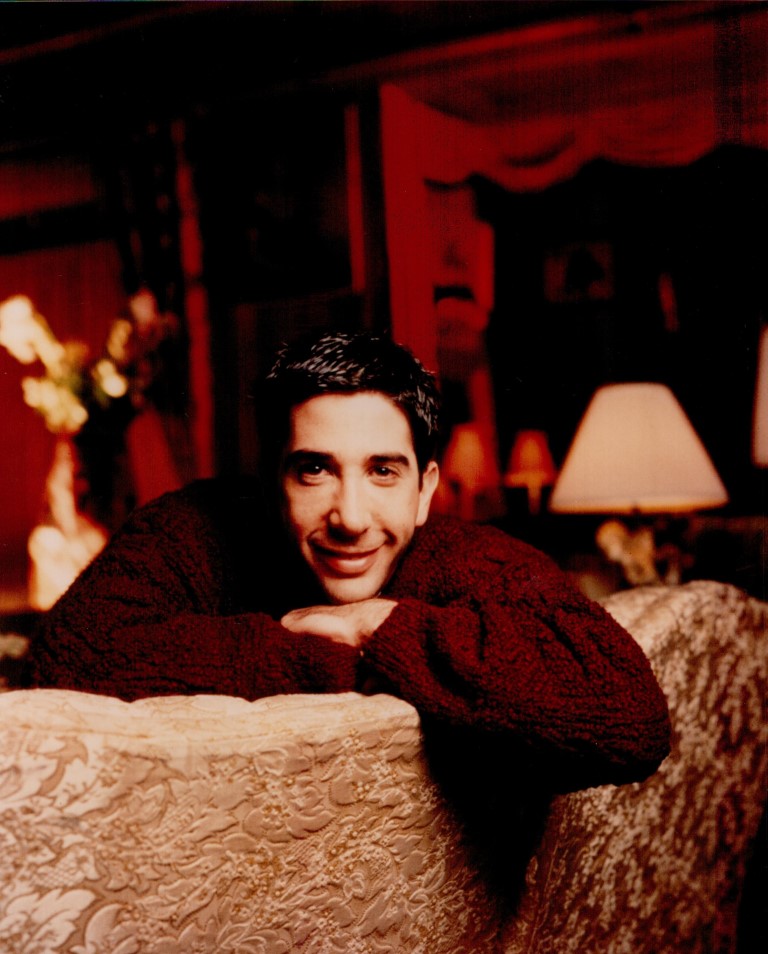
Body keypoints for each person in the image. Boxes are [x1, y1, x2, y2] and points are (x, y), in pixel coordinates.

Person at [31, 329, 670, 790]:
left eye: (383, 472)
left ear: (425, 490)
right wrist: (305, 648)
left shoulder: (464, 557)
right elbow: (65, 661)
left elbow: (629, 714)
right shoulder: (196, 525)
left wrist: (374, 626)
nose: (352, 517)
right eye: (315, 470)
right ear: (269, 481)